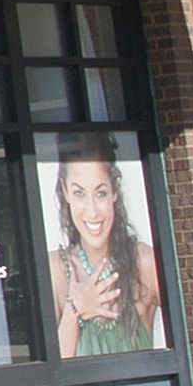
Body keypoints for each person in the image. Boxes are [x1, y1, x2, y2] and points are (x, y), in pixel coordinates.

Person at [47, 133, 160, 359]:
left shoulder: (144, 262)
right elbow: (52, 371)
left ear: (114, 192)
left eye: (100, 193)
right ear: (65, 192)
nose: (92, 211)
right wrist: (75, 309)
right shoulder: (55, 270)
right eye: (79, 193)